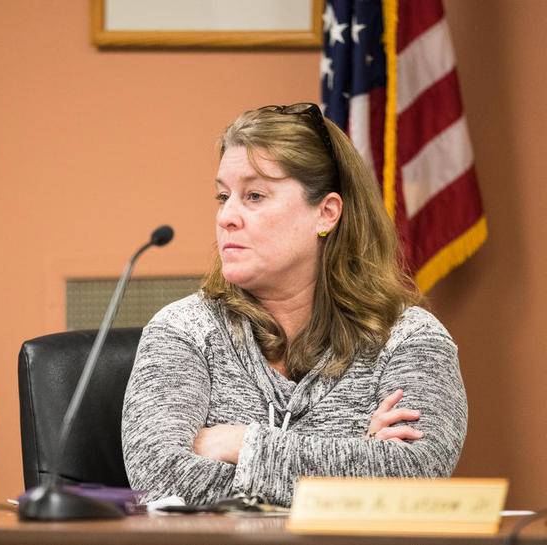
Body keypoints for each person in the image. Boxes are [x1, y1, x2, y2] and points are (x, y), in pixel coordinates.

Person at [121, 104, 468, 506]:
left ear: (326, 213)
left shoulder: (410, 338)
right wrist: (356, 460)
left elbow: (416, 474)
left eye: (254, 195)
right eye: (222, 196)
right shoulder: (184, 331)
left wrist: (238, 443)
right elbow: (159, 476)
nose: (227, 217)